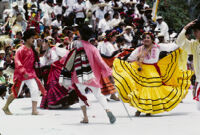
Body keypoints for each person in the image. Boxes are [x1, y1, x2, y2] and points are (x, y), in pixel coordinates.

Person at [113, 32, 193, 116]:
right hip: (142, 70)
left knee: (153, 89)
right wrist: (120, 60)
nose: (146, 39)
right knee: (142, 90)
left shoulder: (158, 46)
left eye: (148, 38)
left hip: (153, 70)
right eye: (144, 38)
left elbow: (172, 46)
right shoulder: (139, 49)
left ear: (152, 39)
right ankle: (139, 109)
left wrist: (183, 36)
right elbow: (131, 57)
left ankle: (149, 109)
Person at [61, 25, 116, 124]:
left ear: (80, 34)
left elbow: (66, 56)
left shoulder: (76, 44)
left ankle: (85, 117)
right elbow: (101, 62)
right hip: (92, 76)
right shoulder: (93, 48)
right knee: (99, 95)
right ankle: (108, 110)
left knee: (81, 96)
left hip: (78, 76)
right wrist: (109, 74)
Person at [2, 29, 46, 115]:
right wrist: (23, 71)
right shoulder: (20, 49)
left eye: (34, 38)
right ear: (26, 39)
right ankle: (6, 106)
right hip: (21, 74)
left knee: (35, 89)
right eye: (32, 38)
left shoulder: (33, 49)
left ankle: (34, 110)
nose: (33, 40)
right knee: (16, 92)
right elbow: (17, 61)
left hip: (31, 73)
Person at [176, 17, 200, 108]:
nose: (194, 34)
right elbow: (180, 43)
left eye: (196, 31)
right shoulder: (194, 44)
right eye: (194, 31)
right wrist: (185, 28)